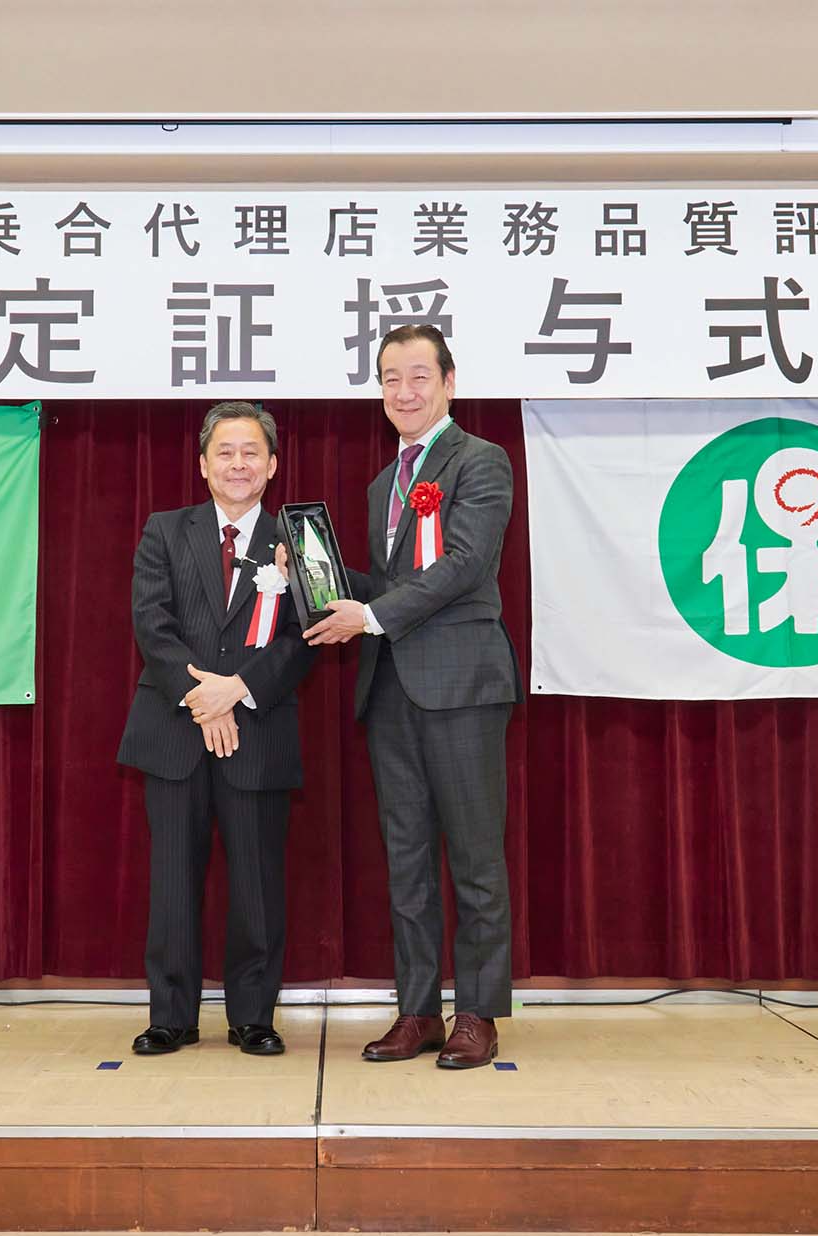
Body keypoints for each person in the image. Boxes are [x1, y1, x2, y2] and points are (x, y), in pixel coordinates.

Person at [297, 325, 523, 1069]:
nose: (404, 391)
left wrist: (370, 616)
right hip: (391, 687)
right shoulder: (381, 484)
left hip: (462, 686)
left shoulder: (481, 460)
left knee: (476, 857)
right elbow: (394, 588)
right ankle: (418, 1009)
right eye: (390, 378)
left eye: (419, 376)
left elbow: (464, 565)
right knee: (408, 860)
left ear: (449, 383)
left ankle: (478, 1014)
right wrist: (321, 578)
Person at [117, 401, 315, 1057]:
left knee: (256, 882)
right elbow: (153, 623)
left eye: (251, 451)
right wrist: (205, 696)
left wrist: (239, 689)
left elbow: (305, 636)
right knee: (173, 881)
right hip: (176, 729)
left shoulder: (296, 540)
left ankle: (252, 1016)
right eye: (224, 452)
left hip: (258, 730)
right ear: (203, 465)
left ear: (273, 465)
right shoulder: (165, 530)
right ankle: (171, 1016)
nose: (238, 463)